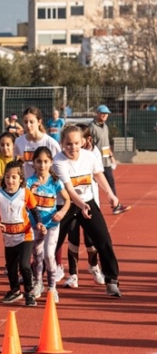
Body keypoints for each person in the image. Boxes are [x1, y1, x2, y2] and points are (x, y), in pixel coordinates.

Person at [53, 125, 123, 297]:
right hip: (67, 205)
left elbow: (98, 174)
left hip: (88, 202)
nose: (73, 147)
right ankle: (39, 280)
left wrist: (110, 194)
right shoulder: (58, 161)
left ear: (82, 142)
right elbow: (69, 190)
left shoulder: (90, 156)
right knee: (52, 243)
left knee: (104, 240)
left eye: (76, 143)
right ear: (62, 144)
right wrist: (81, 205)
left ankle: (112, 280)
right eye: (69, 144)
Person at [27, 146, 71, 304]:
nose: (42, 165)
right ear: (34, 163)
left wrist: (62, 212)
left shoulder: (55, 182)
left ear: (51, 162)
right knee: (37, 257)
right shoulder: (29, 182)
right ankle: (38, 284)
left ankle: (52, 287)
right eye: (39, 161)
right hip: (35, 226)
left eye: (46, 161)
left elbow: (67, 200)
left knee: (48, 255)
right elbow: (24, 203)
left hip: (51, 224)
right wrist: (30, 193)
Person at [0, 161, 44, 306]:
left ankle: (29, 293)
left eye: (14, 177)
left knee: (24, 265)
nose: (10, 180)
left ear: (21, 179)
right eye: (7, 177)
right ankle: (15, 290)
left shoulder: (25, 193)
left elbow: (35, 210)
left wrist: (39, 223)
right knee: (10, 267)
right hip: (8, 237)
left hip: (25, 235)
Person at [89, 105, 131, 215]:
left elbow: (106, 144)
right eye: (102, 113)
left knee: (110, 183)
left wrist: (111, 157)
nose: (104, 115)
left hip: (106, 161)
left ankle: (116, 206)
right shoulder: (92, 127)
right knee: (94, 186)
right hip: (96, 163)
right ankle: (91, 209)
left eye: (106, 113)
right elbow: (88, 145)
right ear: (97, 113)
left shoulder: (105, 127)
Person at [14, 107, 61, 180]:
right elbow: (15, 165)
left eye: (31, 122)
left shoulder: (51, 143)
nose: (28, 125)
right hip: (27, 185)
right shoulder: (18, 142)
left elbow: (58, 166)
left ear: (39, 122)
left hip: (46, 186)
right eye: (25, 122)